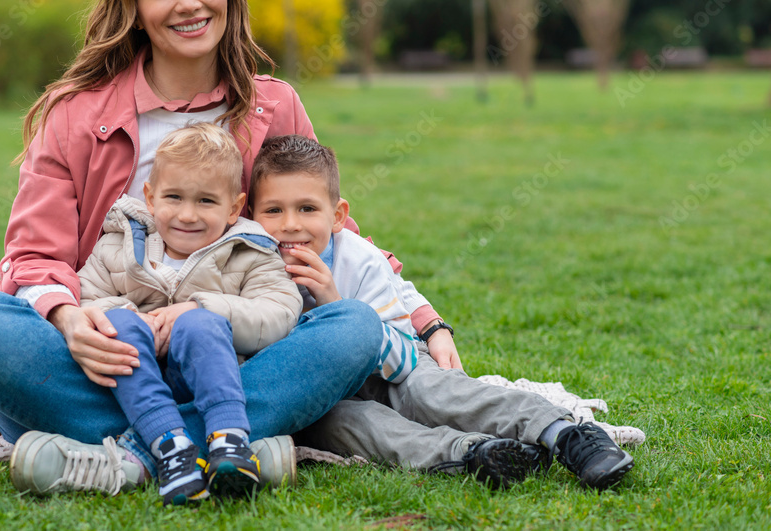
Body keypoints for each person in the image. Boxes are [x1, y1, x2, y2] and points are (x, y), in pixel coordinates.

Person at [0, 0, 411, 499]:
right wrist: (70, 321)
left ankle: (130, 458)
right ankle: (228, 443)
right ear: (134, 7)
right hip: (108, 363)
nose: (188, 3)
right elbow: (34, 257)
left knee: (352, 327)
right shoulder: (74, 115)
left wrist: (424, 321)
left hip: (236, 361)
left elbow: (328, 238)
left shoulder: (273, 106)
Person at [249, 135, 635, 491]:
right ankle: (472, 453)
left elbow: (400, 362)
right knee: (347, 425)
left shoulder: (359, 261)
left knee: (432, 391)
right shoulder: (251, 267)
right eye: (273, 210)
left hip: (393, 368)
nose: (290, 225)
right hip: (327, 398)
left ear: (337, 215)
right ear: (251, 215)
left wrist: (335, 309)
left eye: (307, 208)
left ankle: (562, 433)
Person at [71, 123, 302, 504]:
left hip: (214, 379)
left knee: (199, 322)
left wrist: (199, 307)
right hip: (134, 383)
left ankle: (229, 441)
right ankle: (171, 447)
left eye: (206, 202)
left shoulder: (252, 251)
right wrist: (137, 319)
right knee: (118, 322)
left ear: (233, 207)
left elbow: (279, 314)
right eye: (174, 197)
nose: (188, 214)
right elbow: (85, 300)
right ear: (149, 196)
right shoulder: (119, 246)